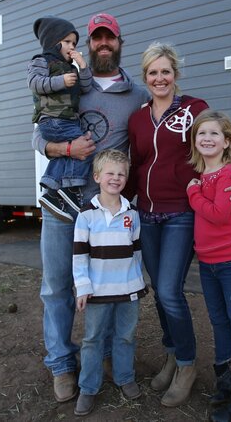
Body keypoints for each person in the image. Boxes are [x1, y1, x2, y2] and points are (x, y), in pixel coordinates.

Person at [127, 42, 231, 407]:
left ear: (175, 74)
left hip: (182, 212)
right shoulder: (137, 118)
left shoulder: (193, 108)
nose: (160, 78)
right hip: (147, 214)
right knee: (159, 290)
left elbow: (219, 143)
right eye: (153, 72)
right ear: (145, 77)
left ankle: (186, 365)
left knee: (169, 290)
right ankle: (172, 354)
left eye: (166, 71)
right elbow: (136, 166)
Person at [32, 13, 149, 404]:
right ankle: (63, 365)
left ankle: (112, 357)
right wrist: (65, 149)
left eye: (109, 38)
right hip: (63, 201)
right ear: (87, 44)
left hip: (107, 210)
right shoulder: (65, 79)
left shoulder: (136, 94)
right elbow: (37, 135)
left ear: (119, 42)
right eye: (96, 38)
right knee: (57, 287)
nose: (102, 44)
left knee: (112, 287)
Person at [186, 110, 231, 422]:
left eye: (214, 134)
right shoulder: (201, 176)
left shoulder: (230, 174)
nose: (207, 138)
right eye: (201, 133)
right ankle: (224, 377)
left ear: (226, 142)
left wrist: (192, 193)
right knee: (218, 321)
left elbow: (217, 213)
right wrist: (196, 186)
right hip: (207, 263)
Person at [72, 149, 147, 416]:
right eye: (110, 173)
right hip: (98, 291)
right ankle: (88, 388)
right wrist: (83, 287)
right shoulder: (87, 215)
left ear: (126, 178)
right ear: (97, 176)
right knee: (93, 339)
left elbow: (136, 250)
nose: (115, 178)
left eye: (121, 174)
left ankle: (125, 377)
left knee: (125, 336)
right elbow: (79, 255)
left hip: (128, 290)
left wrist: (138, 281)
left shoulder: (132, 213)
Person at [28, 16, 93, 222]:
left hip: (67, 120)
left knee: (67, 154)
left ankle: (51, 189)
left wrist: (82, 67)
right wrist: (60, 81)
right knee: (85, 149)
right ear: (53, 42)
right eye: (67, 42)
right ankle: (71, 189)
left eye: (74, 43)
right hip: (53, 119)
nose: (71, 46)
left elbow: (86, 88)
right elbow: (35, 83)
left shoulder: (72, 68)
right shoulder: (41, 60)